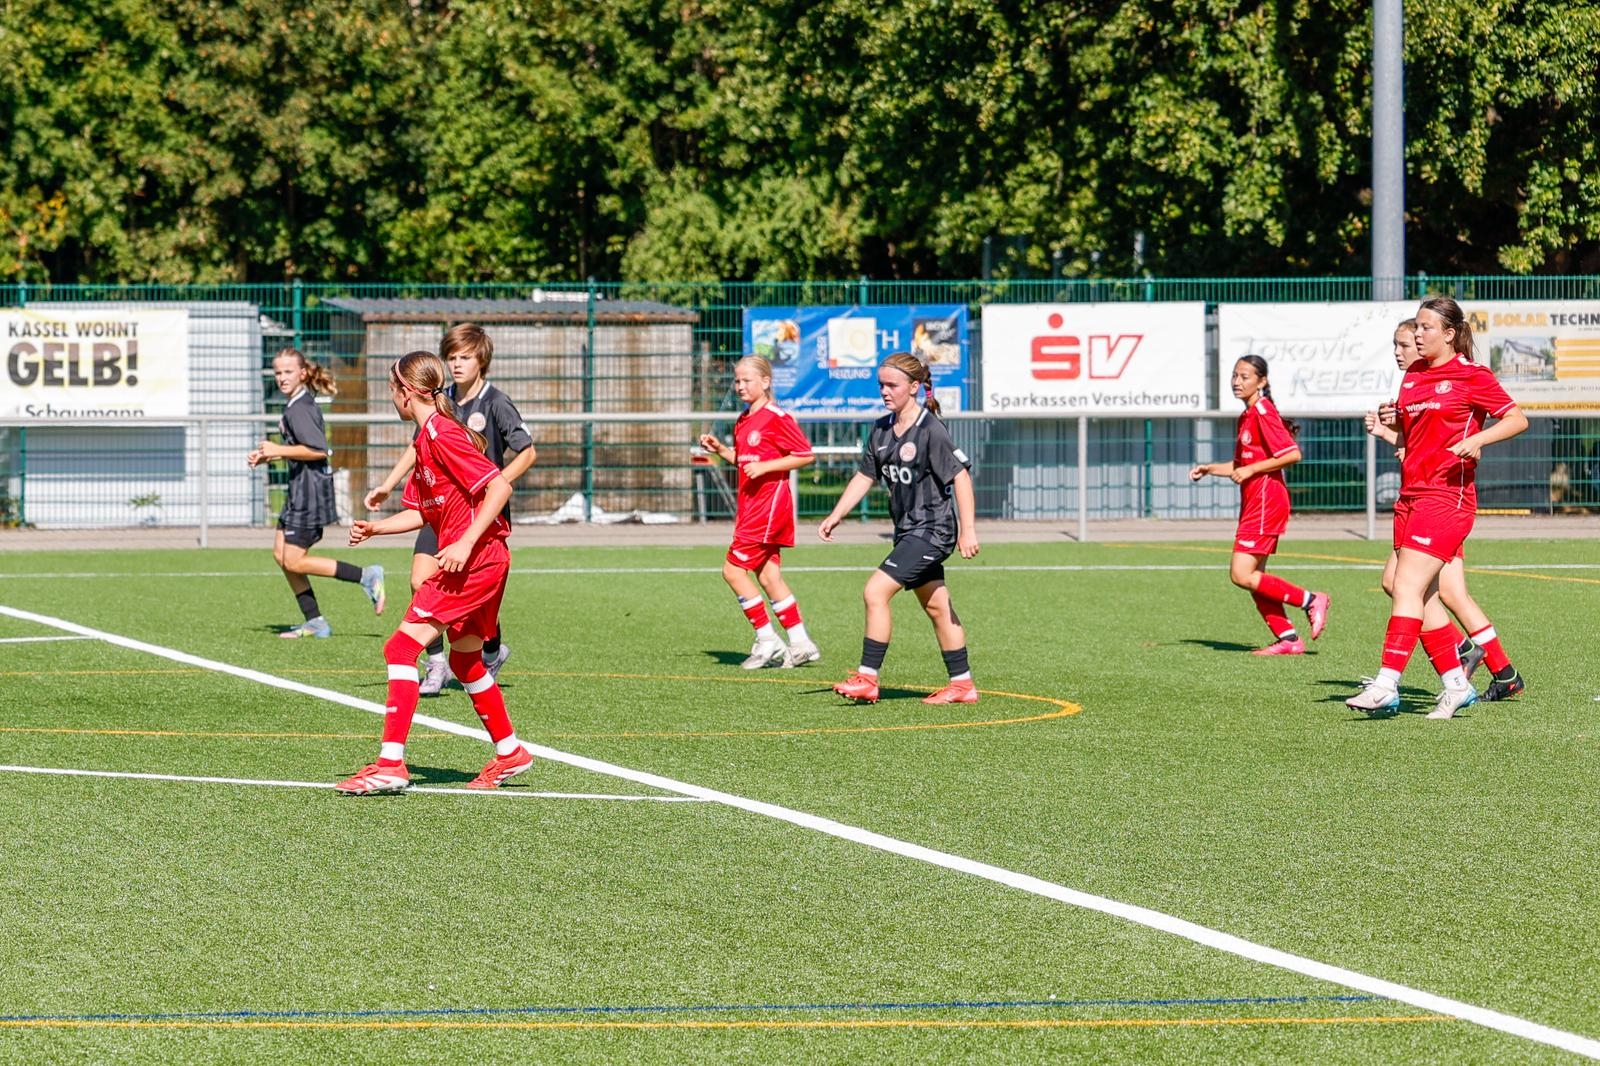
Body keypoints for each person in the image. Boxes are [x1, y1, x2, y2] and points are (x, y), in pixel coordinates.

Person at [335, 351, 532, 795]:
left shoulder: (443, 434)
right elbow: (426, 511)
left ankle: (390, 765)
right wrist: (378, 528)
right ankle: (510, 753)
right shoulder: (426, 438)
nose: (391, 397)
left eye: (392, 389)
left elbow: (499, 486)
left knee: (400, 649)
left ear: (407, 393)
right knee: (464, 660)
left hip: (474, 561)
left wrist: (464, 542)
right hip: (482, 558)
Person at [1346, 297, 1529, 718]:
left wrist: (1478, 439)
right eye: (1416, 327)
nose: (1417, 335)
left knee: (1411, 586)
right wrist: (1391, 427)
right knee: (1408, 586)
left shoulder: (1471, 375)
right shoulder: (1413, 377)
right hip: (1411, 496)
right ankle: (1456, 682)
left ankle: (1387, 684)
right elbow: (1414, 442)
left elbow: (1517, 419)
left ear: (1449, 334)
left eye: (1425, 328)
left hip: (1447, 497)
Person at [365, 324, 536, 694]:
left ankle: (489, 651)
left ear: (482, 361)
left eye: (465, 357)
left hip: (476, 517)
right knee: (420, 581)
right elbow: (418, 447)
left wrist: (491, 485)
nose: (457, 364)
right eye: (452, 357)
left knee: (469, 608)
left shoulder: (495, 402)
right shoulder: (440, 401)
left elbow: (526, 453)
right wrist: (388, 486)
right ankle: (438, 664)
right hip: (440, 510)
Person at [818, 351, 979, 705]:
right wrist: (836, 514)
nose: (885, 391)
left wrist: (968, 530)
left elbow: (961, 477)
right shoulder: (880, 429)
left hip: (933, 530)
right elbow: (865, 476)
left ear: (915, 386)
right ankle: (963, 684)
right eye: (881, 385)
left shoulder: (930, 429)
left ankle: (867, 678)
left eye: (892, 385)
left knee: (875, 592)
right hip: (908, 531)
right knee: (937, 607)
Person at [1189, 355, 1330, 654]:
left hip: (1267, 502)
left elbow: (1292, 454)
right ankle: (1289, 640)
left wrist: (1252, 470)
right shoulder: (1247, 415)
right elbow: (1240, 465)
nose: (1237, 382)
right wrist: (1210, 468)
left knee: (1241, 574)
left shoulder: (1263, 411)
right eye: (1235, 376)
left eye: (1245, 377)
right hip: (1255, 502)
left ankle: (1311, 600)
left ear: (1262, 381)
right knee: (1256, 578)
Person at [247, 348, 385, 639]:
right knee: (280, 554)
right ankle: (315, 621)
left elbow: (318, 450)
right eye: (278, 372)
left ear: (302, 373)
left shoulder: (300, 408)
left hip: (309, 495)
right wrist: (270, 455)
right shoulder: (296, 404)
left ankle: (366, 575)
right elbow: (302, 449)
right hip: (299, 491)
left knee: (294, 560)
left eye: (288, 372)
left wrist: (278, 449)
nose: (282, 378)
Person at [699, 356, 820, 669]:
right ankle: (801, 643)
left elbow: (805, 455)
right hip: (751, 507)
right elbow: (745, 461)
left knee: (732, 571)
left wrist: (766, 467)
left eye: (747, 380)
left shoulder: (777, 417)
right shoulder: (743, 420)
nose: (740, 386)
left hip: (768, 508)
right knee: (768, 575)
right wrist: (721, 450)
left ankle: (767, 639)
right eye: (737, 381)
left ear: (765, 382)